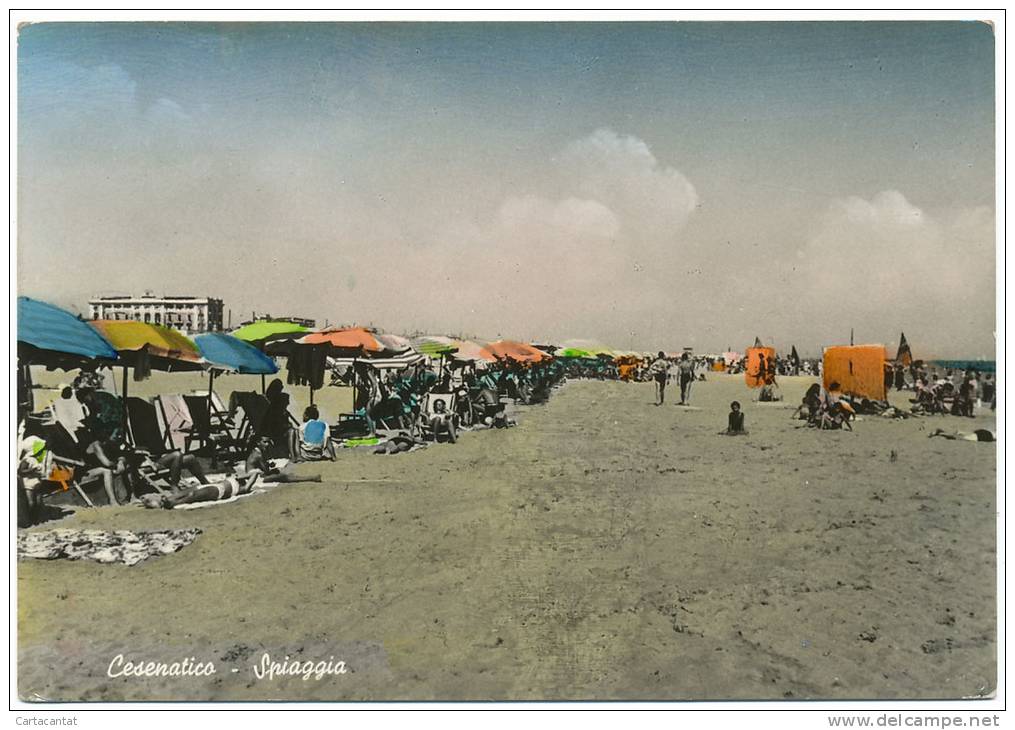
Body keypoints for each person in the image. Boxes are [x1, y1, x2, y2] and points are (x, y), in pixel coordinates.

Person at [928, 427, 995, 443]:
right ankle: (941, 433)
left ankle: (942, 433)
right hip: (984, 436)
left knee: (961, 434)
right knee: (958, 437)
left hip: (985, 433)